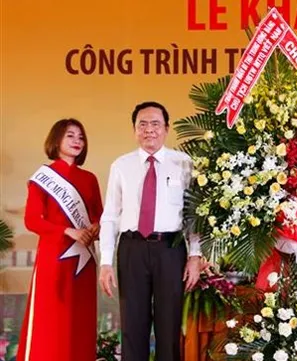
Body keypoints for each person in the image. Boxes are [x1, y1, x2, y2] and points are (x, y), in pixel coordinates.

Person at [98, 101, 202, 361]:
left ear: (166, 129)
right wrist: (106, 262)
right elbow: (110, 216)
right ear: (134, 130)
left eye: (155, 124)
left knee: (169, 325)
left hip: (170, 249)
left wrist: (195, 256)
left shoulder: (184, 163)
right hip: (132, 248)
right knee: (133, 325)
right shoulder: (121, 166)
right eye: (142, 124)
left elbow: (195, 215)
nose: (149, 130)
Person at [17, 119, 103, 361]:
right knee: (51, 318)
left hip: (84, 260)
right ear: (56, 140)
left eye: (81, 137)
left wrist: (96, 226)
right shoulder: (42, 178)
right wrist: (68, 231)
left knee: (80, 317)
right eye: (70, 136)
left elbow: (99, 213)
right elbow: (32, 220)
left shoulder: (89, 178)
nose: (77, 141)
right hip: (53, 257)